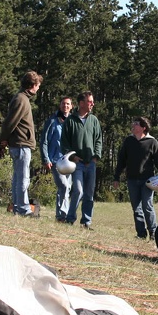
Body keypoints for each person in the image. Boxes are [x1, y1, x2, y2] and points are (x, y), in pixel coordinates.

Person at [113, 116, 158, 240]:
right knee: (136, 208)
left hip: (147, 181)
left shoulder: (152, 142)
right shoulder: (128, 141)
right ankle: (141, 233)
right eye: (133, 123)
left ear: (143, 127)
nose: (133, 126)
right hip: (132, 180)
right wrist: (116, 177)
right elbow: (121, 160)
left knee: (147, 206)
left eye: (136, 124)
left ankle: (153, 232)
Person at [0, 71, 43, 218]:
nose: (38, 89)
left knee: (19, 178)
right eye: (38, 85)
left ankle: (18, 207)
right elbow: (10, 121)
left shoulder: (22, 98)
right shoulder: (21, 99)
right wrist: (4, 139)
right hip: (21, 144)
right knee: (23, 179)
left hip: (21, 144)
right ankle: (23, 209)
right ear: (33, 85)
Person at [60, 91, 102, 229]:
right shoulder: (70, 121)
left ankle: (86, 221)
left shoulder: (94, 120)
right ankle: (70, 218)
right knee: (78, 190)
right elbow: (64, 143)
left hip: (91, 163)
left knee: (89, 193)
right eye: (90, 101)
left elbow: (98, 140)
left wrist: (96, 156)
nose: (92, 104)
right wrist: (73, 157)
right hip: (77, 163)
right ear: (82, 103)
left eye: (92, 101)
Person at [40, 96, 74, 222]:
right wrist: (46, 159)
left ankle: (63, 216)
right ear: (60, 105)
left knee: (68, 188)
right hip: (55, 160)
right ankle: (61, 215)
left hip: (69, 161)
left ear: (71, 106)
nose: (65, 106)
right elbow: (44, 141)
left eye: (68, 104)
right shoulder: (52, 121)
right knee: (64, 186)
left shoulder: (72, 122)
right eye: (63, 104)